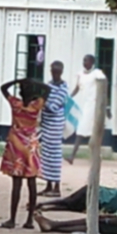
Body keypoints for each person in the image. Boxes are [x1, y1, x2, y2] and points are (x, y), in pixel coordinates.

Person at [34, 163, 117, 234]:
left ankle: (55, 226)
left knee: (95, 224)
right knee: (96, 219)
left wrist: (107, 220)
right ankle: (54, 224)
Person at [0, 78, 50, 229]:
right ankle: (29, 220)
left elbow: (3, 88)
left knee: (16, 183)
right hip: (31, 146)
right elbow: (48, 89)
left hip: (16, 144)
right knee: (31, 182)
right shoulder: (36, 106)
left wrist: (17, 80)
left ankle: (12, 219)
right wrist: (35, 83)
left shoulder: (16, 104)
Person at [66, 55, 108, 163]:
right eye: (83, 60)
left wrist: (106, 106)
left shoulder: (97, 74)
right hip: (86, 105)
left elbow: (103, 89)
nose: (85, 63)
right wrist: (68, 98)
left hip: (95, 104)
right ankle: (73, 156)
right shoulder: (80, 74)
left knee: (94, 130)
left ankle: (92, 155)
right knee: (82, 129)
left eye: (87, 61)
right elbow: (77, 88)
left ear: (92, 62)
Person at [39, 61, 69, 197]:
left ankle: (56, 186)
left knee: (55, 154)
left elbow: (53, 106)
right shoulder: (48, 85)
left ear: (61, 72)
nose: (54, 74)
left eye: (57, 71)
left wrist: (42, 102)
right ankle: (48, 185)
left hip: (56, 124)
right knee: (46, 154)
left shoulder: (64, 87)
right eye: (53, 71)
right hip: (46, 123)